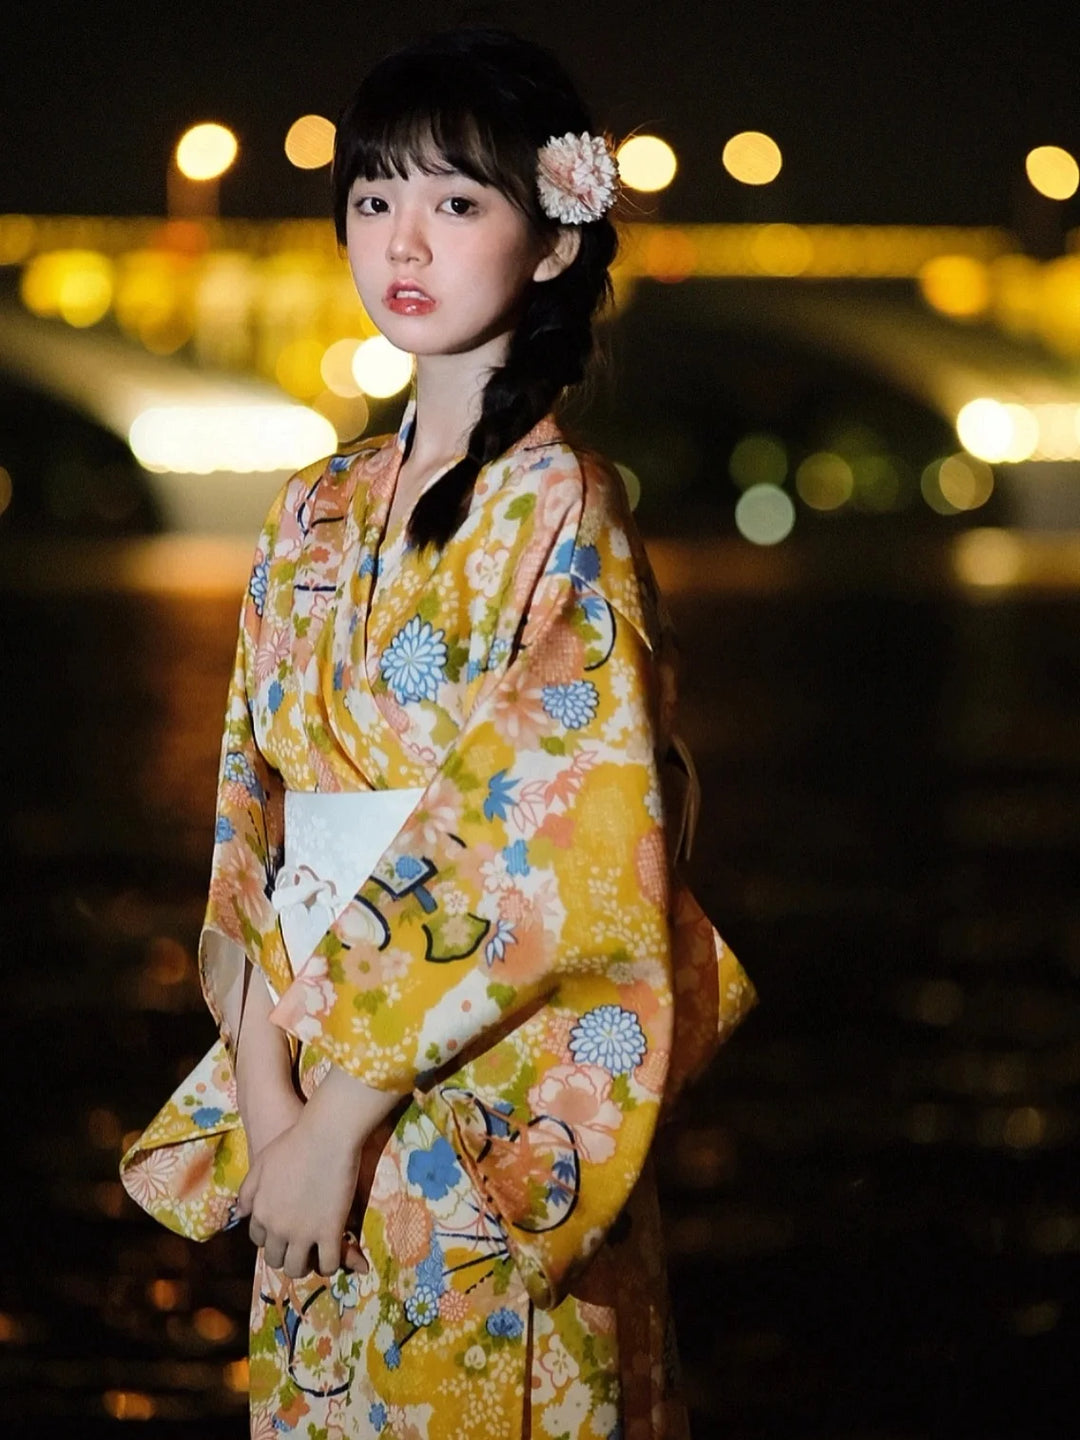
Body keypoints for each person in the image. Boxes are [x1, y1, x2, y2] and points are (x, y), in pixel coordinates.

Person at [121, 27, 755, 1440]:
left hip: (476, 1117)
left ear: (548, 245)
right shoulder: (310, 510)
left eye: (457, 203)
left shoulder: (561, 509)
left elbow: (555, 849)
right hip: (305, 1106)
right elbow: (253, 824)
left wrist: (342, 1119)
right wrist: (275, 1109)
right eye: (373, 198)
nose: (401, 238)